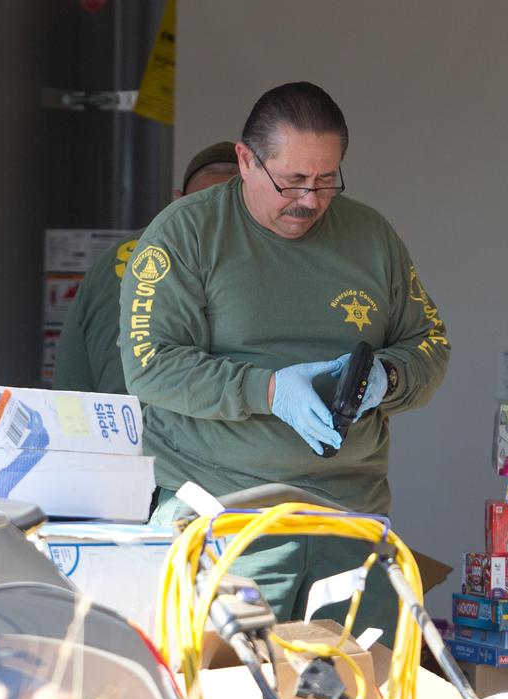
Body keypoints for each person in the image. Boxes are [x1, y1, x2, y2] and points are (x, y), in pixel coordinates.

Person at [118, 82, 450, 646]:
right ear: (246, 160)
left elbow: (430, 345)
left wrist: (386, 380)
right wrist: (267, 390)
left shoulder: (372, 238)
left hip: (349, 517)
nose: (309, 200)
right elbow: (152, 368)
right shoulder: (186, 234)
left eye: (326, 180)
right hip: (225, 519)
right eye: (292, 180)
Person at [52, 142, 239, 394]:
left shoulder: (109, 260)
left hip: (106, 422)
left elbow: (71, 372)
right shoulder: (235, 259)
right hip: (171, 425)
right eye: (206, 206)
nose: (216, 221)